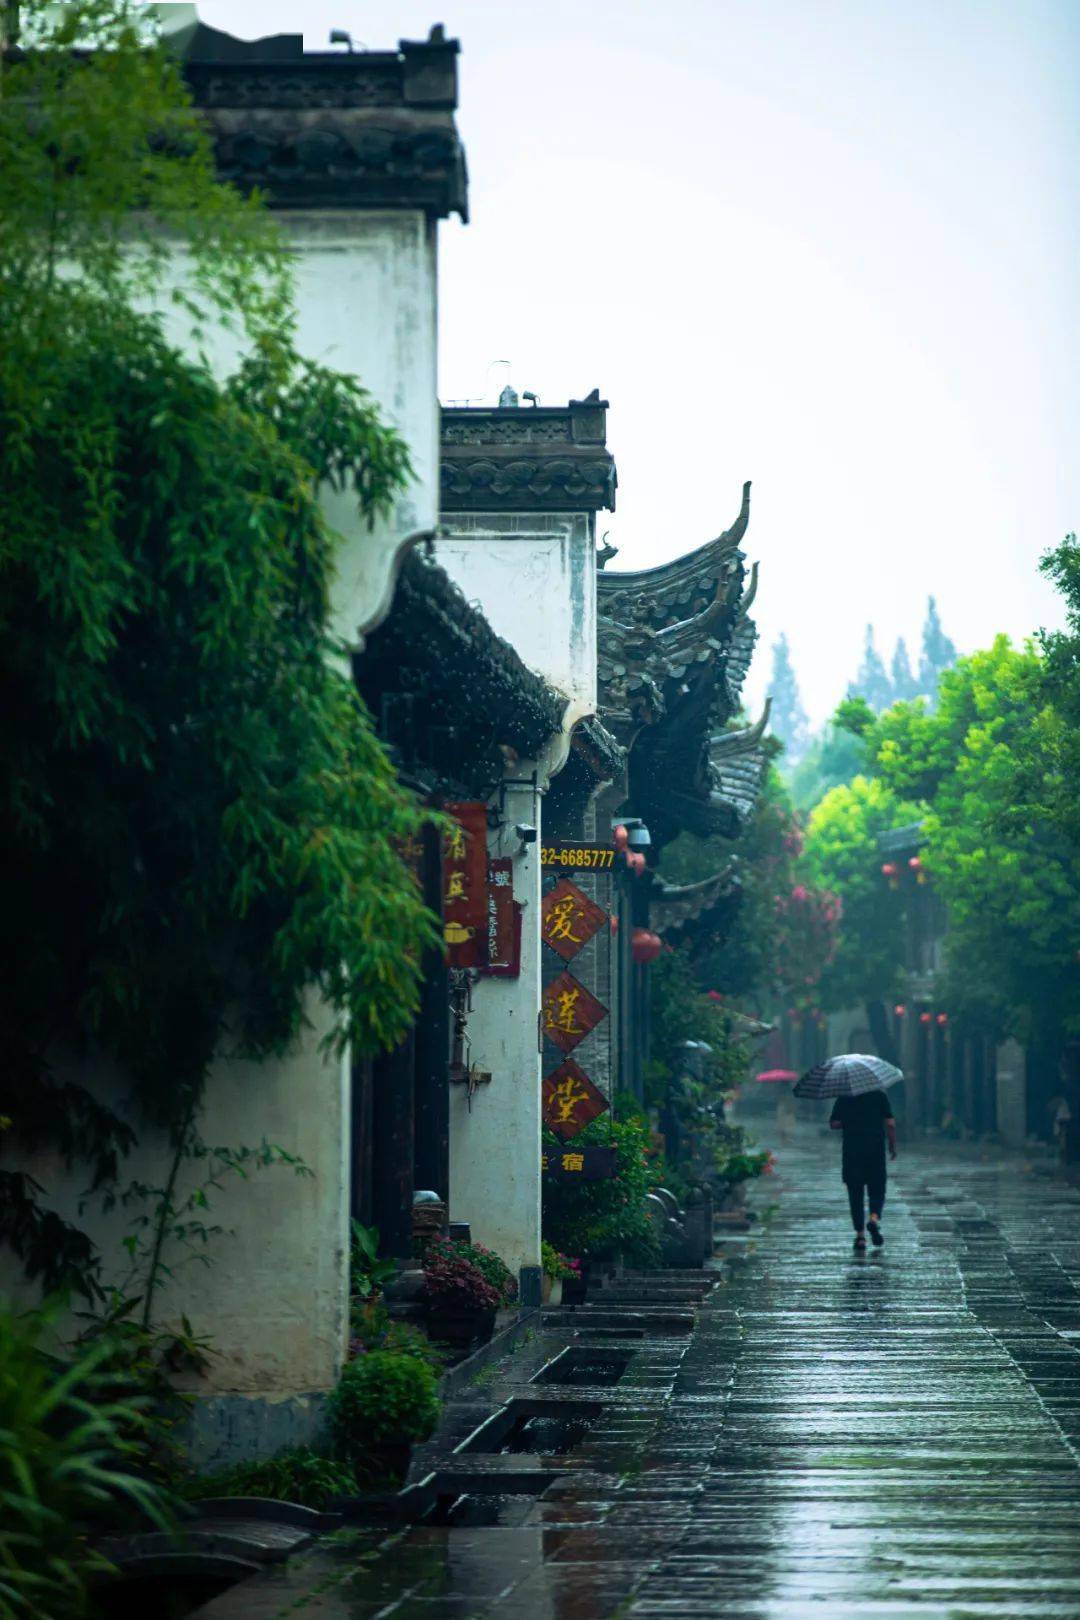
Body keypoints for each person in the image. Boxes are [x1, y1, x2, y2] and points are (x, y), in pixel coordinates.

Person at [830, 1089, 897, 1251]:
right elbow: (890, 1123)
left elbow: (833, 1124)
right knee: (877, 1189)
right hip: (875, 1151)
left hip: (852, 1152)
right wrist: (892, 1145)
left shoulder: (844, 1096)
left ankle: (860, 1236)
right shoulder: (879, 1095)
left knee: (855, 1193)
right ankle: (873, 1219)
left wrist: (849, 1121)